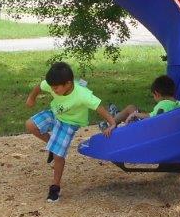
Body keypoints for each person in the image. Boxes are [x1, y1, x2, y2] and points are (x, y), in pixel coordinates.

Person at [25, 61, 116, 202]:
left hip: (69, 123)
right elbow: (39, 87)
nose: (53, 90)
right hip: (55, 114)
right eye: (52, 88)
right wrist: (32, 97)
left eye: (56, 88)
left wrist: (112, 123)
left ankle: (55, 187)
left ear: (68, 84)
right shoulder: (54, 84)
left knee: (58, 154)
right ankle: (53, 145)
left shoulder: (82, 94)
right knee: (30, 124)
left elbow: (99, 107)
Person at [113, 74, 180, 124]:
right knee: (136, 113)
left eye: (154, 96)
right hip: (169, 128)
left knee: (131, 108)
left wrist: (135, 114)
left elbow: (151, 118)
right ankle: (118, 115)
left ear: (157, 94)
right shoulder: (179, 104)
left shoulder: (163, 105)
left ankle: (112, 121)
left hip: (147, 131)